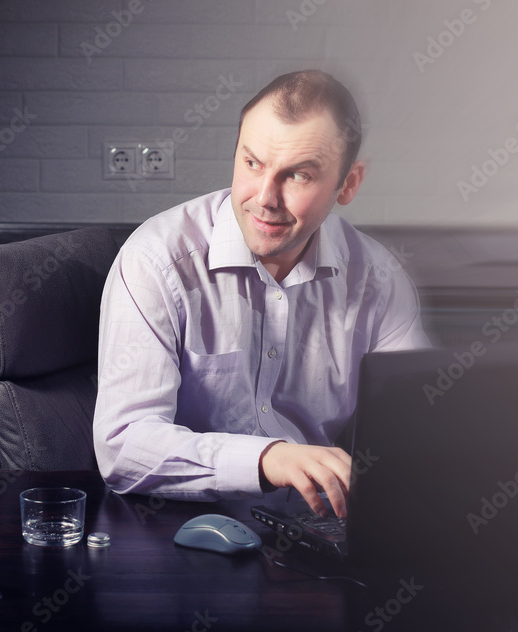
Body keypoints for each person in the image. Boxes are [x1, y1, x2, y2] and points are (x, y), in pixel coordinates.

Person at [93, 70, 429, 518]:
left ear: (347, 184)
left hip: (319, 535)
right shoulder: (155, 261)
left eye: (300, 176)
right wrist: (269, 458)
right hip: (173, 534)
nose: (265, 198)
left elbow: (416, 433)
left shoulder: (380, 279)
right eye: (252, 164)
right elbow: (123, 446)